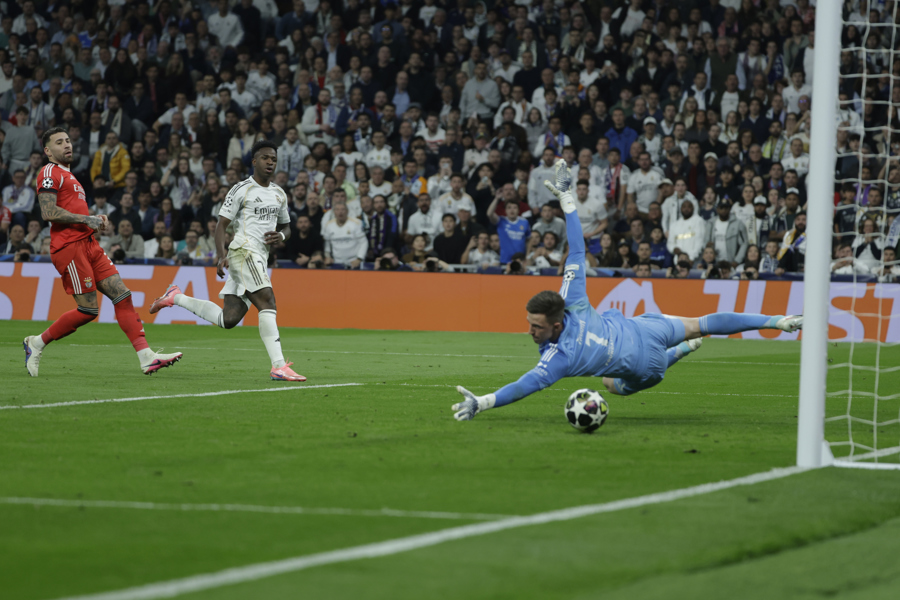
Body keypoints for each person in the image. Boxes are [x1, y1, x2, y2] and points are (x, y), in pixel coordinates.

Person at [451, 161, 804, 421]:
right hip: (645, 326)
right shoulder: (570, 297)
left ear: (556, 326)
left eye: (536, 327)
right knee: (702, 323)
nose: (530, 331)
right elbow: (576, 248)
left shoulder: (560, 359)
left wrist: (483, 402)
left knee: (610, 385)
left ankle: (680, 352)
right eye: (529, 323)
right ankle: (774, 321)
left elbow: (525, 384)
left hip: (645, 364)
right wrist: (568, 199)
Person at [23, 127, 182, 377]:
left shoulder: (70, 175)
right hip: (69, 248)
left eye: (68, 140)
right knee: (88, 310)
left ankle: (146, 357)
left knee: (123, 296)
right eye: (59, 142)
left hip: (89, 245)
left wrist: (93, 219)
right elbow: (48, 212)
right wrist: (87, 219)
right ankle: (36, 342)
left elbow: (74, 212)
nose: (67, 145)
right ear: (47, 151)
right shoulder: (48, 172)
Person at [149, 140, 305, 382]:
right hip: (243, 251)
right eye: (265, 158)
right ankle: (278, 366)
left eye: (273, 159)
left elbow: (287, 226)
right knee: (267, 301)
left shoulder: (278, 193)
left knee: (228, 319)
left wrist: (281, 235)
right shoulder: (241, 189)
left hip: (260, 257)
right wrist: (221, 254)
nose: (270, 162)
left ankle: (175, 296)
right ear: (254, 161)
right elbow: (221, 224)